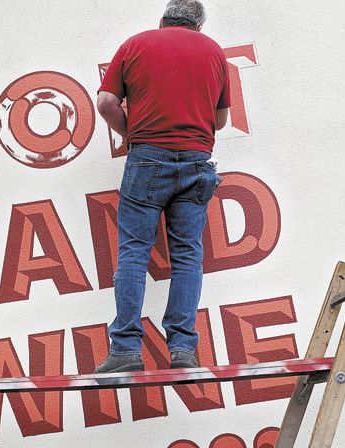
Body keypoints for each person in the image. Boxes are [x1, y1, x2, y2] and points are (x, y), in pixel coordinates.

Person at [95, 0, 230, 373]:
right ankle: (183, 349)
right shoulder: (214, 53)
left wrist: (133, 135)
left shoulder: (135, 45)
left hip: (147, 159)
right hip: (196, 161)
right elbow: (220, 120)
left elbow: (106, 102)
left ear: (162, 20)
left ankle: (125, 350)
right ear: (198, 26)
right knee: (187, 255)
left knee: (134, 253)